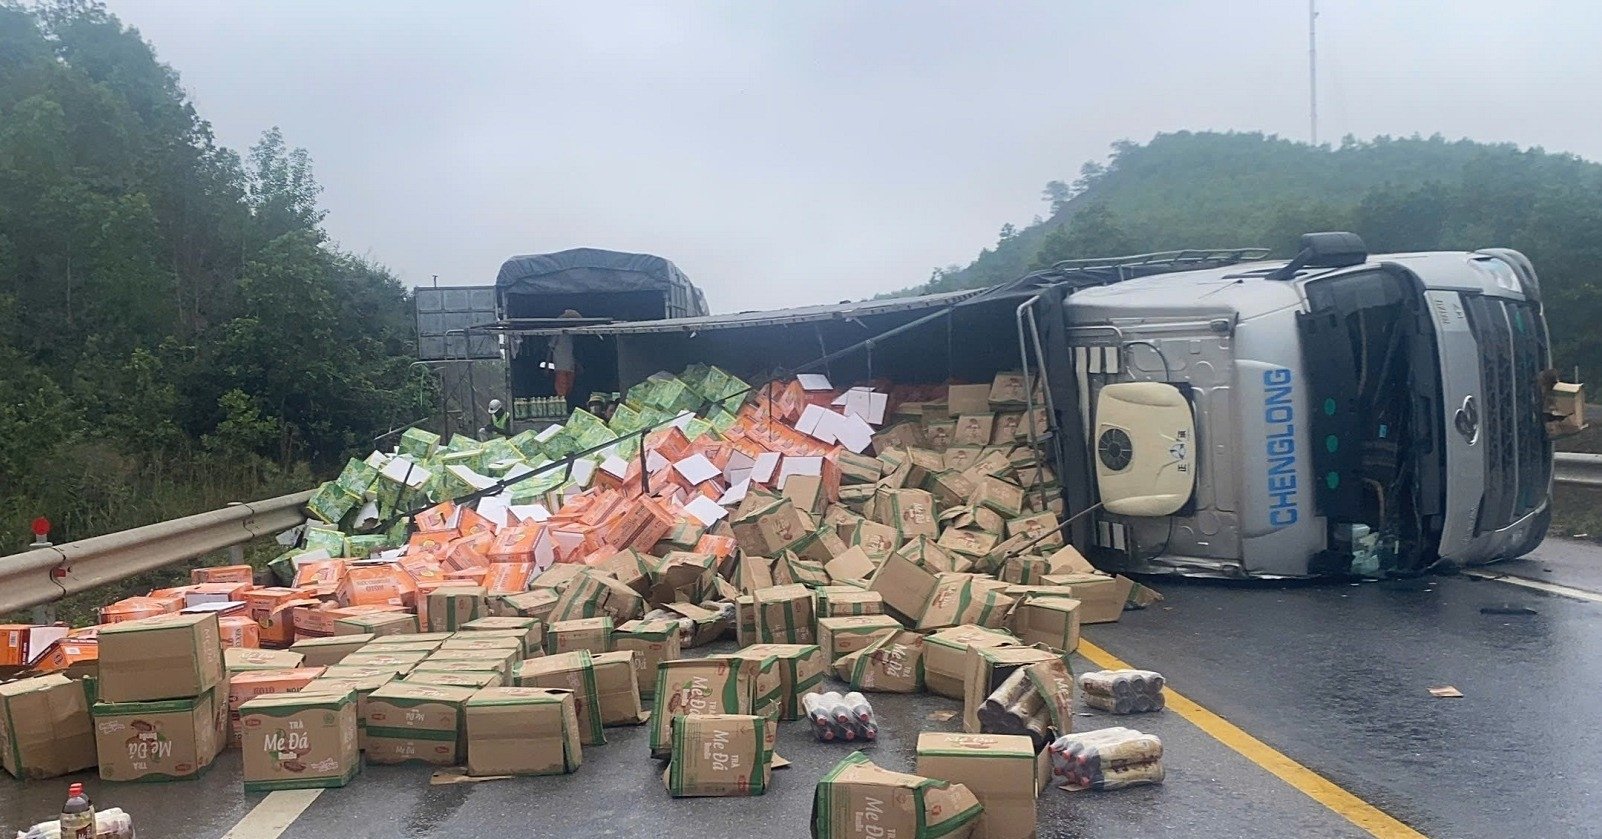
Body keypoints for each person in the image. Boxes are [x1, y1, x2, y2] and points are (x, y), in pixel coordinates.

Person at [549, 308, 582, 402]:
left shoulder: (571, 334)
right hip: (560, 365)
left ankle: (566, 403)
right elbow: (550, 348)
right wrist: (547, 364)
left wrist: (576, 364)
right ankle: (561, 405)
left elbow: (572, 352)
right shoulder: (557, 333)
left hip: (570, 365)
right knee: (561, 389)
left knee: (569, 387)